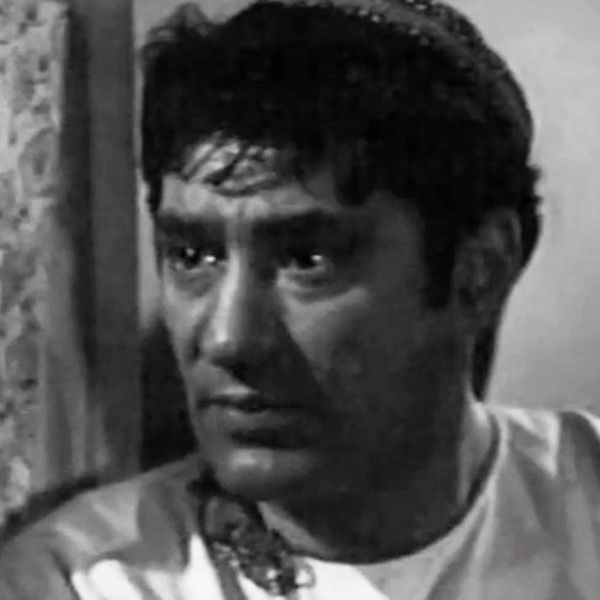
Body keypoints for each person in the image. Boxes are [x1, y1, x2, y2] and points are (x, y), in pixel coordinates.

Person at [1, 1, 600, 598]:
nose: (229, 338)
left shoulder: (584, 497)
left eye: (307, 260)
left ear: (480, 271)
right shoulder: (83, 581)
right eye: (193, 256)